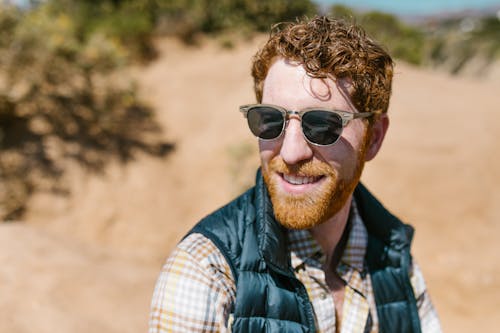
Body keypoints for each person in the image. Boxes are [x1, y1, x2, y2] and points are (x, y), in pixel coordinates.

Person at [149, 16, 441, 333]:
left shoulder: (396, 262)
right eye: (270, 120)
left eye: (323, 125)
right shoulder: (206, 270)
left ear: (374, 138)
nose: (290, 152)